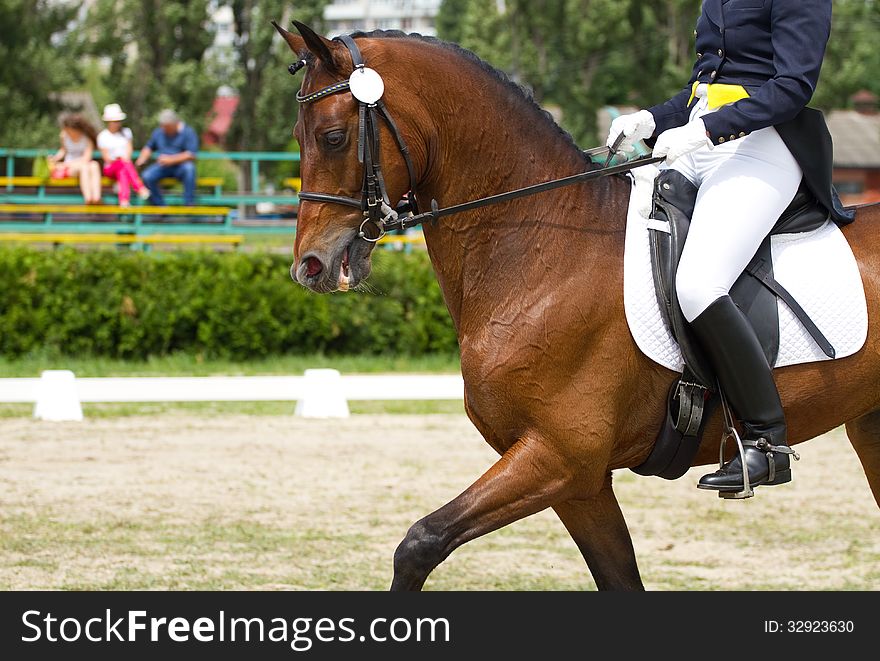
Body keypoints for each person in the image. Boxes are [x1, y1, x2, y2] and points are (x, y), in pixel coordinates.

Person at [607, 0, 851, 494]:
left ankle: (767, 441)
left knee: (699, 284)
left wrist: (704, 129)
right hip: (699, 144)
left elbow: (792, 86)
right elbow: (705, 89)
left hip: (764, 145)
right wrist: (652, 119)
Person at [135, 109, 199, 206]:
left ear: (175, 123)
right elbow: (149, 147)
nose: (164, 129)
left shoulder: (188, 132)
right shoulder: (159, 132)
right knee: (147, 176)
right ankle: (160, 206)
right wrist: (142, 159)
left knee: (190, 169)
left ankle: (189, 204)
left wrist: (171, 159)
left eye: (166, 127)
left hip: (181, 167)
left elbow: (191, 154)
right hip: (163, 167)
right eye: (163, 126)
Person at [97, 103, 150, 207]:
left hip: (124, 165)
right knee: (123, 165)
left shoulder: (126, 132)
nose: (117, 123)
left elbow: (129, 151)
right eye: (115, 121)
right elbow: (106, 158)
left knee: (122, 171)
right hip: (110, 167)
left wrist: (122, 159)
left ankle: (124, 201)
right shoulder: (102, 136)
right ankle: (139, 187)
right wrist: (118, 159)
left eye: (118, 121)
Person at [47, 114, 102, 204]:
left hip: (80, 163)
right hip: (72, 167)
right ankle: (88, 198)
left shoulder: (87, 138)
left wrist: (65, 164)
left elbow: (86, 158)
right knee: (85, 167)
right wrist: (55, 158)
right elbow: (63, 150)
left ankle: (96, 197)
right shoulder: (64, 135)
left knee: (94, 165)